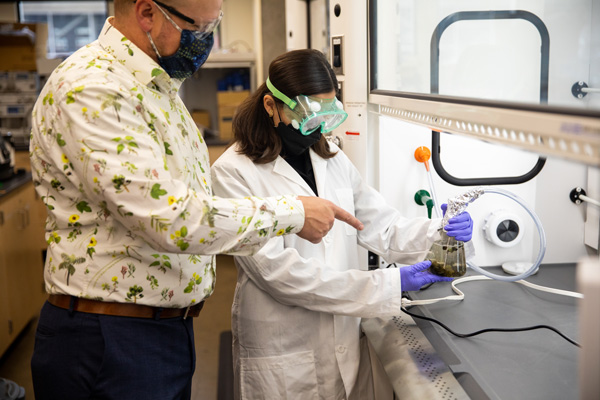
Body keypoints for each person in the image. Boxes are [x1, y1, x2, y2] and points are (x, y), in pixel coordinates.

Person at [28, 1, 363, 399]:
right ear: (148, 13)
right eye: (198, 28)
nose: (206, 41)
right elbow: (171, 218)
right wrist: (292, 212)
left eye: (214, 26)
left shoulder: (157, 88)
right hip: (110, 337)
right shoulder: (95, 88)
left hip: (159, 330)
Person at [210, 48, 474, 400]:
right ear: (271, 106)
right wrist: (390, 283)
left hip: (345, 340)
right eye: (306, 115)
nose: (316, 127)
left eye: (327, 113)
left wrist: (440, 232)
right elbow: (280, 277)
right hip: (286, 350)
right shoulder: (233, 173)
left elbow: (382, 226)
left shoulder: (331, 158)